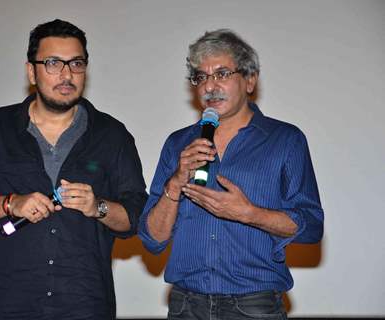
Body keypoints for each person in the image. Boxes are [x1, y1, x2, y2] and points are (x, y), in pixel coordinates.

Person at [0, 19, 147, 320]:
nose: (66, 74)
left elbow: (138, 218)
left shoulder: (113, 136)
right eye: (53, 63)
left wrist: (97, 206)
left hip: (83, 305)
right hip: (0, 305)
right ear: (31, 71)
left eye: (76, 63)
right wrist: (10, 203)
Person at [138, 29, 324, 320]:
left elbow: (312, 227)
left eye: (222, 74)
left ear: (250, 80)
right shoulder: (178, 144)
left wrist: (249, 213)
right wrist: (175, 184)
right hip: (186, 305)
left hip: (254, 306)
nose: (210, 86)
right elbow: (152, 239)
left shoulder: (285, 139)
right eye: (201, 77)